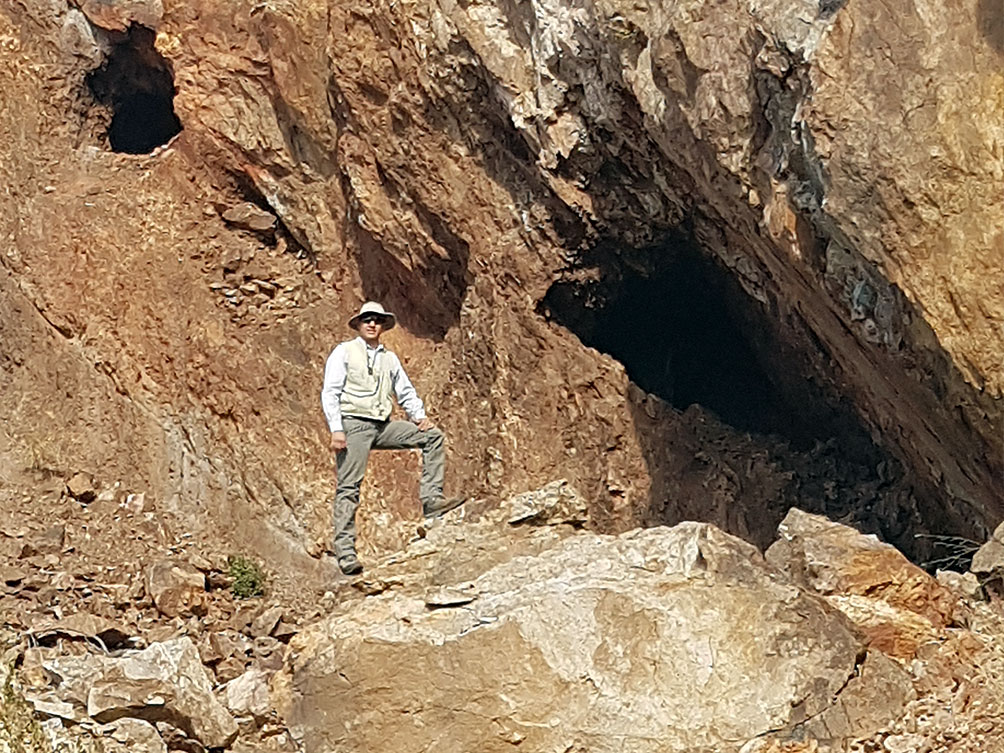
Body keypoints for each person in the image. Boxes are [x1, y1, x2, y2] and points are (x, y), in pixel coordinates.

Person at [321, 301, 464, 575]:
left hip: (382, 425)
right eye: (367, 319)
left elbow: (405, 390)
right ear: (359, 324)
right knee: (349, 488)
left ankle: (431, 500)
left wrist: (419, 417)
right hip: (353, 425)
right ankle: (346, 553)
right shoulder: (345, 352)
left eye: (377, 320)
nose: (372, 324)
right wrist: (336, 429)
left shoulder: (389, 358)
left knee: (432, 437)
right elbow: (331, 392)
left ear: (383, 325)